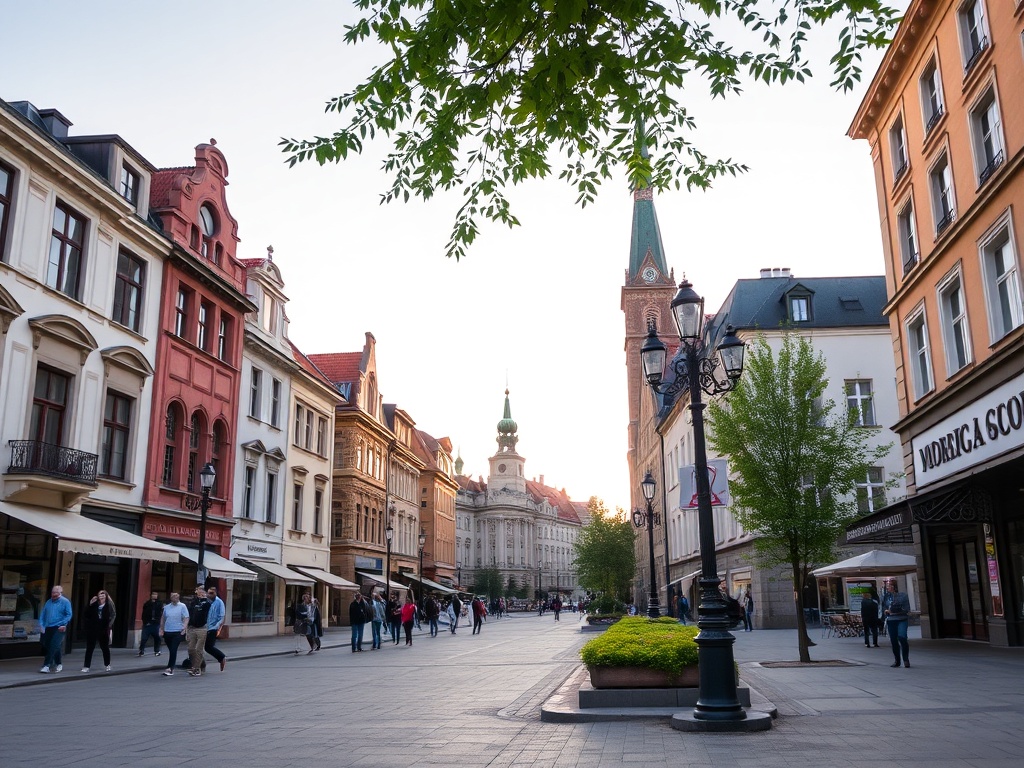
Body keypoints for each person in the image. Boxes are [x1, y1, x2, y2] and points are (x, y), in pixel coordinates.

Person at [38, 585, 73, 674]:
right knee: (49, 645)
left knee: (54, 644)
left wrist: (63, 624)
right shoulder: (48, 602)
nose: (53, 594)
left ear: (60, 593)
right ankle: (59, 663)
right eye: (53, 592)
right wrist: (41, 624)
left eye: (56, 593)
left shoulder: (65, 602)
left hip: (59, 627)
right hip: (48, 626)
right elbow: (43, 613)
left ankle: (46, 665)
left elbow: (68, 614)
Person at [82, 590, 116, 673]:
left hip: (103, 628)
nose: (102, 597)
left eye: (103, 595)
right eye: (100, 595)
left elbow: (113, 614)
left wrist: (109, 624)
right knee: (90, 648)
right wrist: (90, 604)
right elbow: (86, 614)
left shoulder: (109, 604)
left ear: (106, 596)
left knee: (105, 648)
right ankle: (86, 666)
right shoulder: (94, 604)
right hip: (93, 628)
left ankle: (107, 664)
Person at [159, 592, 189, 676]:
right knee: (171, 649)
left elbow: (186, 617)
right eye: (173, 596)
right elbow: (163, 618)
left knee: (173, 649)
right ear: (170, 598)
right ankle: (171, 665)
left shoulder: (182, 606)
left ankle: (170, 668)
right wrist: (161, 629)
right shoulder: (166, 607)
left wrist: (184, 627)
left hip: (177, 631)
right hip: (168, 631)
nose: (174, 597)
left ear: (179, 597)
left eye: (176, 596)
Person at [883, 580, 912, 668]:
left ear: (895, 586)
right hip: (891, 620)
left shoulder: (903, 595)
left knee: (902, 637)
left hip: (901, 619)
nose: (889, 587)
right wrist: (886, 611)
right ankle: (897, 660)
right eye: (888, 586)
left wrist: (896, 610)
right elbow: (883, 607)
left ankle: (906, 659)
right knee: (893, 640)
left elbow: (906, 608)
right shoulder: (886, 596)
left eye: (891, 585)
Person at [186, 586, 211, 676]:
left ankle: (196, 669)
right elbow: (190, 612)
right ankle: (199, 664)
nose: (197, 592)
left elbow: (208, 608)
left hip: (202, 628)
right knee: (191, 649)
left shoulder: (207, 602)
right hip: (192, 627)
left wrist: (204, 598)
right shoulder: (194, 602)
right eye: (197, 590)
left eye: (199, 590)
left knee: (198, 649)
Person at [204, 586, 228, 670]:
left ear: (215, 593)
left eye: (211, 593)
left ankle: (222, 657)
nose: (209, 595)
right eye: (208, 593)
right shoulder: (208, 602)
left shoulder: (219, 602)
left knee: (208, 646)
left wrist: (216, 626)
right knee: (203, 647)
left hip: (213, 628)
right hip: (205, 627)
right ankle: (200, 664)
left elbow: (221, 616)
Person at [138, 591, 164, 656]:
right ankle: (141, 650)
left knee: (157, 638)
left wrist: (159, 622)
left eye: (155, 595)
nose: (154, 596)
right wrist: (145, 622)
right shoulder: (147, 604)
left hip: (156, 623)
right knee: (144, 638)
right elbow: (143, 614)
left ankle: (157, 650)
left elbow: (162, 613)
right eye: (153, 594)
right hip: (147, 623)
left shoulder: (159, 604)